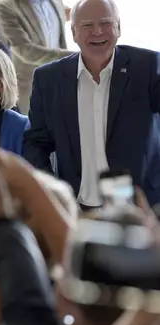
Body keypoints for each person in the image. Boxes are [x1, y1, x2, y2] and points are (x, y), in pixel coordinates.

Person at [22, 0, 160, 208]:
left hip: (139, 206)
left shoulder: (147, 67)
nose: (97, 32)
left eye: (105, 23)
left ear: (119, 28)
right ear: (74, 32)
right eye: (87, 25)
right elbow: (36, 142)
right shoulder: (48, 79)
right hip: (77, 205)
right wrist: (52, 191)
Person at [0, 0, 74, 113]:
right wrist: (73, 56)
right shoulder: (5, 7)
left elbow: (60, 42)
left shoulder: (56, 3)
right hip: (30, 90)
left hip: (58, 86)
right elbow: (25, 50)